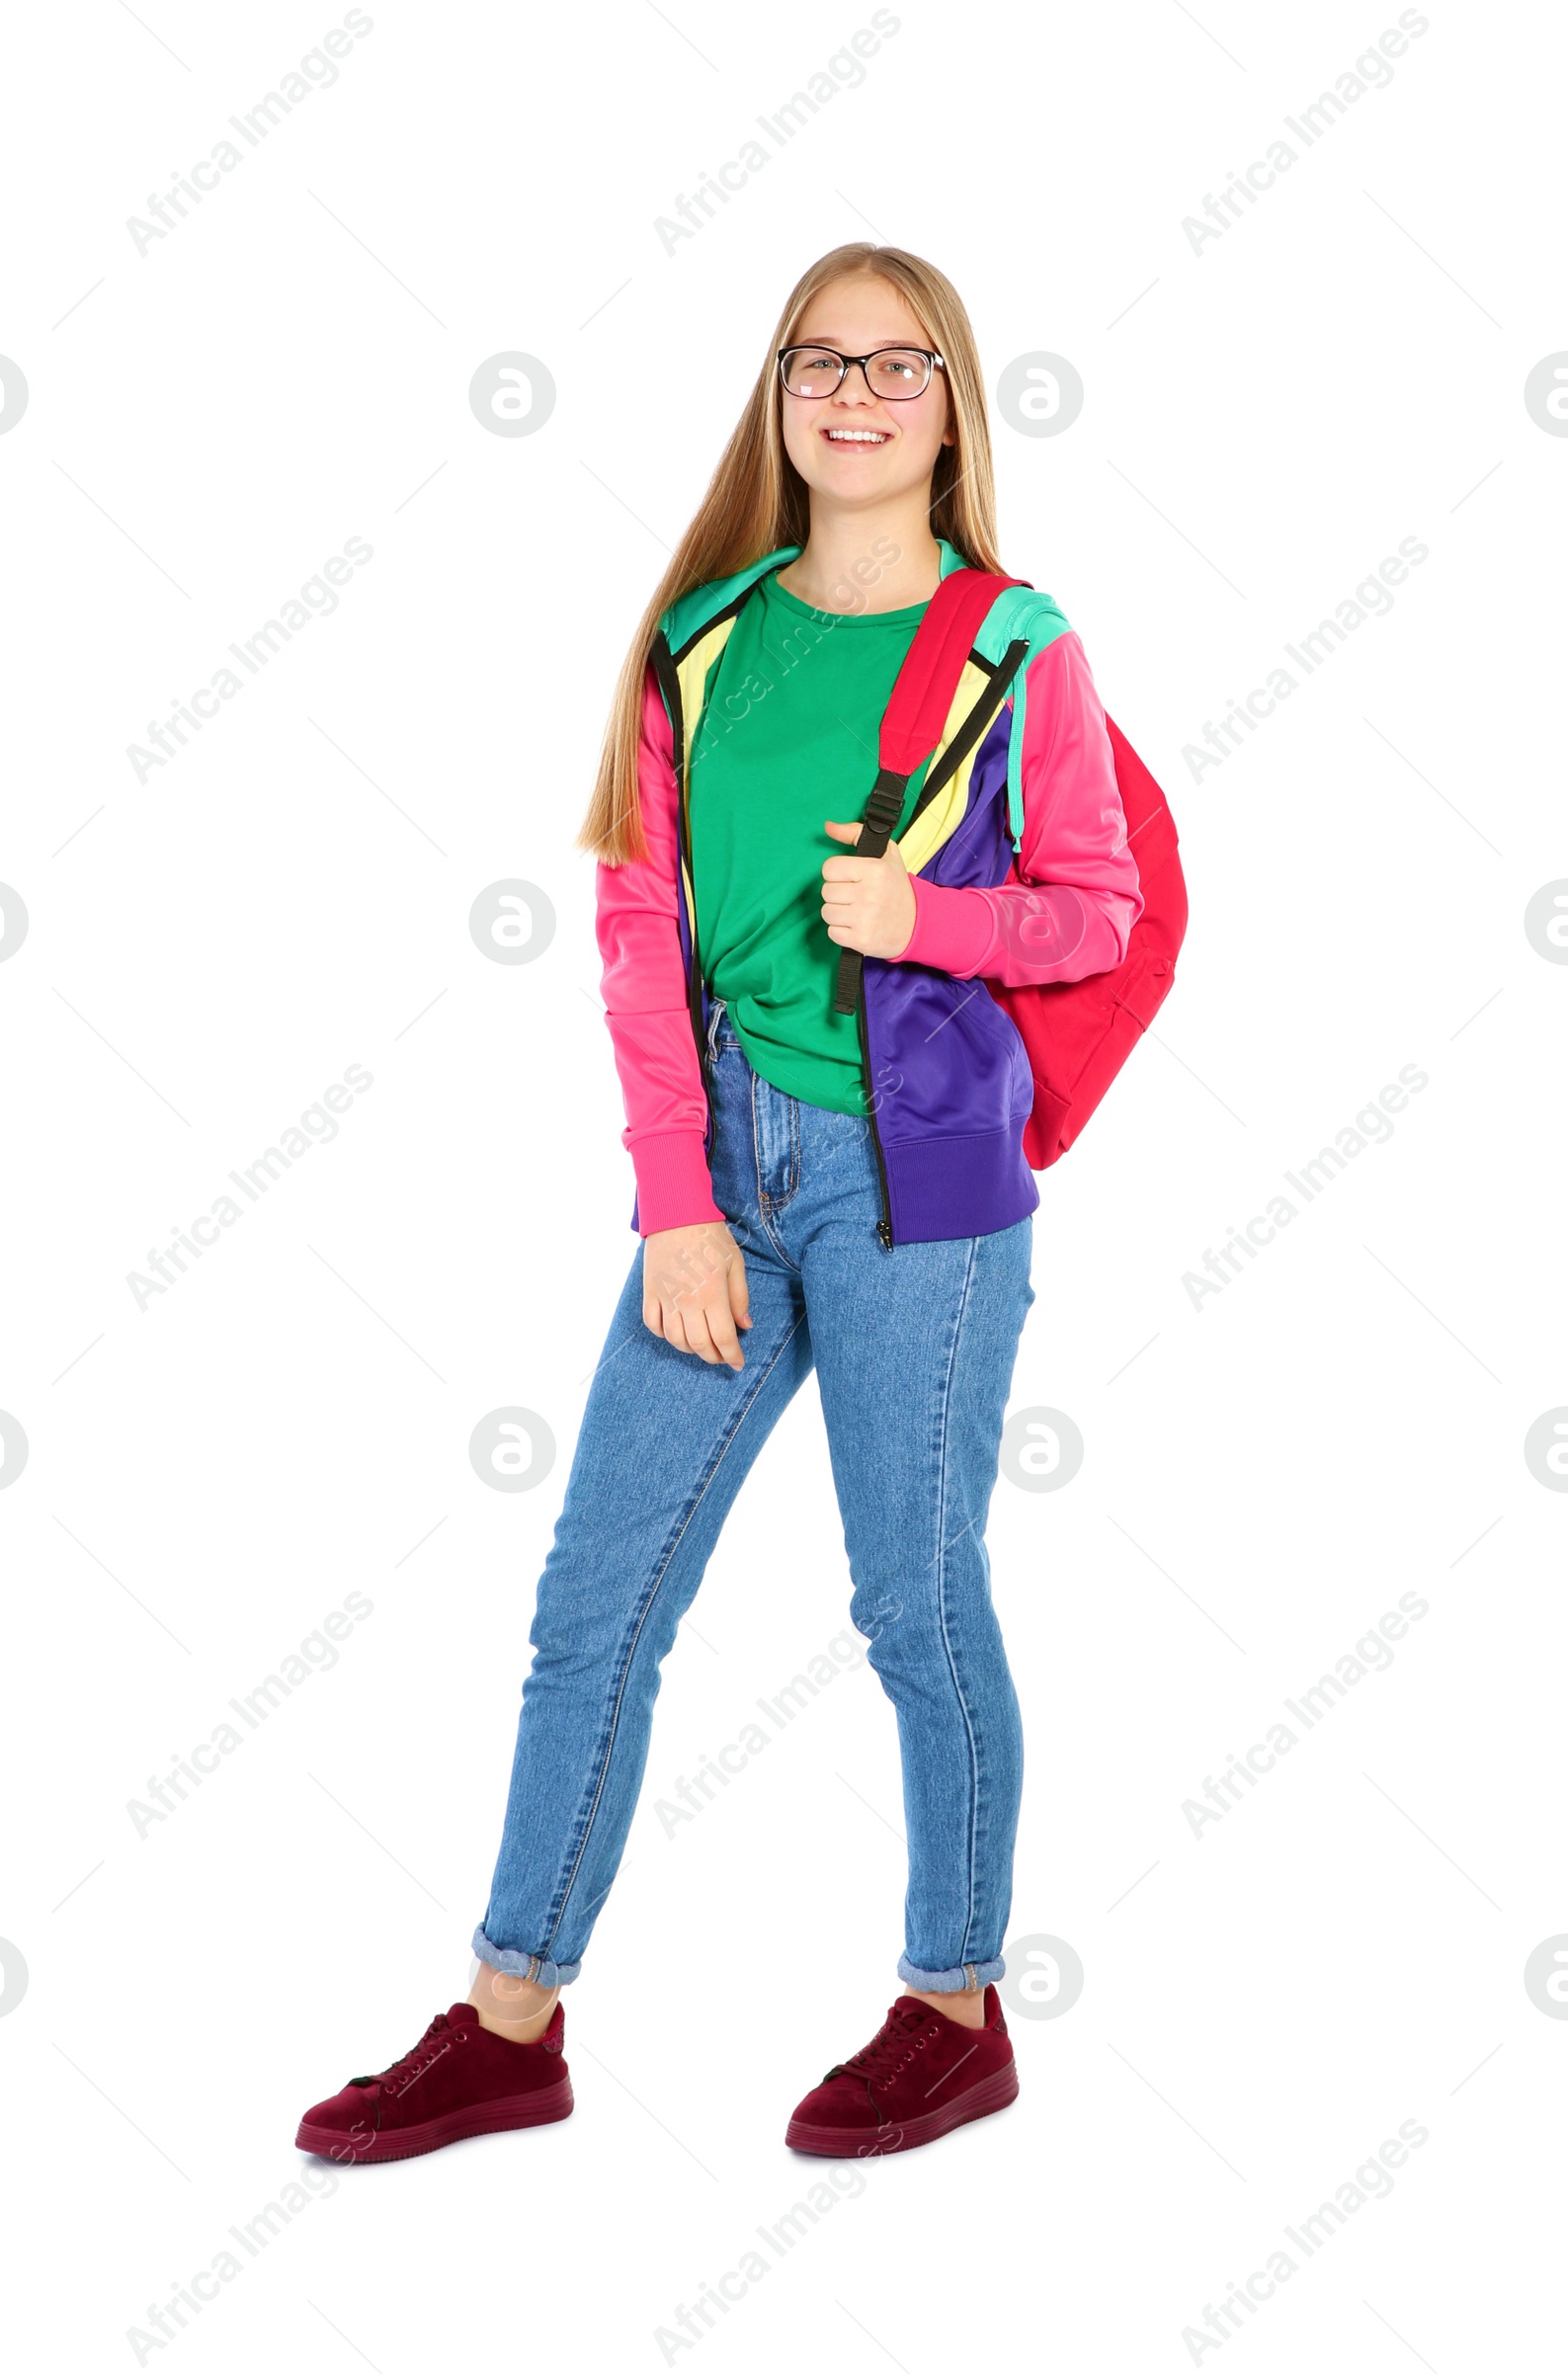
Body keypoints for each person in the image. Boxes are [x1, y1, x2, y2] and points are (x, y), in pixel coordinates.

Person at [296, 241, 1143, 2165]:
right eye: (814, 360)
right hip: (728, 1182)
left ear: (951, 401)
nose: (851, 392)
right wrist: (676, 1200)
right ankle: (511, 2017)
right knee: (589, 1599)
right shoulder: (702, 631)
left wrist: (922, 917)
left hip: (916, 1189)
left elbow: (1091, 907)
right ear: (775, 395)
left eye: (894, 361)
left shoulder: (1020, 647)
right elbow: (630, 933)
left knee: (911, 1598)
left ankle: (952, 2001)